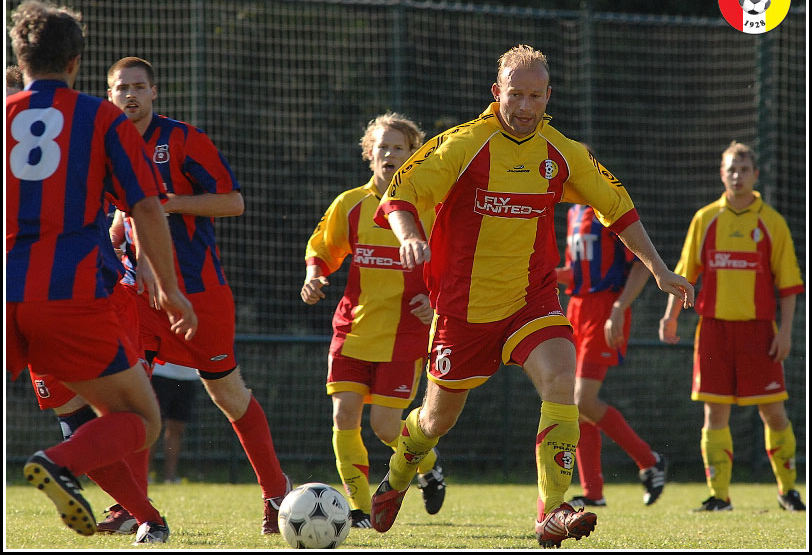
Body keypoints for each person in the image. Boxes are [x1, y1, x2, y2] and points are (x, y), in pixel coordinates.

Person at [368, 44, 694, 548]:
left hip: (531, 301)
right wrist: (410, 235)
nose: (525, 106)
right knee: (434, 420)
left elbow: (617, 206)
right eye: (515, 95)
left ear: (548, 96)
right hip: (463, 310)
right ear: (496, 92)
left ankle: (552, 509)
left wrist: (659, 269)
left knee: (563, 378)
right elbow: (400, 193)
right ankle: (399, 472)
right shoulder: (462, 145)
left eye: (535, 96)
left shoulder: (561, 152)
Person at [6, 0, 197, 544]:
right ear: (75, 62)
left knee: (75, 411)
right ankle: (58, 463)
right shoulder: (100, 117)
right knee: (141, 419)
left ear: (20, 60)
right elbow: (146, 207)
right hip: (66, 295)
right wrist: (170, 288)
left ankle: (142, 514)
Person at [106, 56, 292, 534]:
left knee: (228, 395)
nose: (130, 94)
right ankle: (133, 507)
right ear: (109, 95)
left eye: (139, 86)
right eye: (122, 87)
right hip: (139, 294)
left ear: (154, 92)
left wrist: (169, 204)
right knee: (134, 396)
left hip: (200, 292)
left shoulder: (183, 139)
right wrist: (116, 234)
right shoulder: (106, 145)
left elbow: (233, 201)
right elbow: (118, 211)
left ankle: (276, 492)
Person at [300, 112, 446, 529]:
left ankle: (429, 466)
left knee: (385, 427)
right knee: (343, 417)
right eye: (382, 147)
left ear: (412, 156)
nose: (389, 154)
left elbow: (453, 264)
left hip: (404, 335)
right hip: (352, 330)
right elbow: (322, 249)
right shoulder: (350, 204)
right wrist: (314, 276)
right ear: (369, 153)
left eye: (399, 148)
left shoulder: (428, 208)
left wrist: (433, 302)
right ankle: (359, 510)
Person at [659, 141, 805, 513]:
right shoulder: (705, 218)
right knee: (714, 414)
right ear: (721, 175)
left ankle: (788, 491)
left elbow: (789, 285)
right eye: (731, 170)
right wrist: (670, 316)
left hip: (759, 332)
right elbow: (685, 274)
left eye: (744, 169)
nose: (737, 176)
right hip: (714, 331)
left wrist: (786, 332)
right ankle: (719, 497)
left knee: (774, 413)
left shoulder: (772, 222)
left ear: (756, 175)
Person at [555, 144, 665, 511]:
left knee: (583, 399)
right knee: (575, 404)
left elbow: (641, 265)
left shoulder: (609, 206)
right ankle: (594, 492)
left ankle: (649, 460)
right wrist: (542, 274)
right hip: (577, 309)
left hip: (604, 310)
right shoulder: (573, 211)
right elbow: (577, 273)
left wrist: (619, 308)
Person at [149, 361, 201, 484]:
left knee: (177, 429)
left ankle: (170, 477)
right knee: (153, 427)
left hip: (188, 377)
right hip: (160, 374)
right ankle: (145, 475)